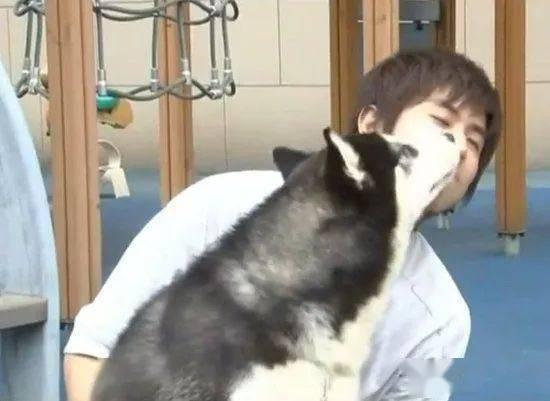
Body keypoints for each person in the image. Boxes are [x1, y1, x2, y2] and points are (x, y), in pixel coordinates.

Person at [63, 49, 501, 401]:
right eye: (442, 122)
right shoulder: (215, 208)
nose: (460, 148)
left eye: (474, 140)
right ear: (370, 124)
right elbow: (94, 351)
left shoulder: (440, 320)